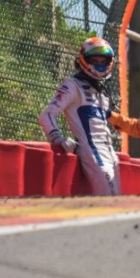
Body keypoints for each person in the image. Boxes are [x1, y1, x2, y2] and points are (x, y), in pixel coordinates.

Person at [38, 37, 123, 196]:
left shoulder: (102, 92)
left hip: (111, 156)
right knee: (109, 202)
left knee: (116, 201)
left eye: (103, 60)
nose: (99, 63)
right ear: (83, 59)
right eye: (94, 59)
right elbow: (46, 115)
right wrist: (58, 138)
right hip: (94, 156)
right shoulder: (72, 85)